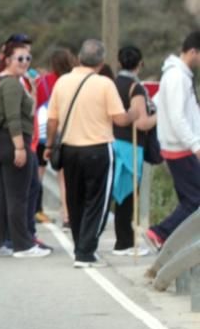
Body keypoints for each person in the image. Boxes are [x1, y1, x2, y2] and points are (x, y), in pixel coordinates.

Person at [46, 39, 137, 268]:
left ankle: (81, 247)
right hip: (98, 148)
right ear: (102, 61)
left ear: (78, 58)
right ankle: (86, 253)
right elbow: (119, 118)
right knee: (97, 202)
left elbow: (52, 119)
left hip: (69, 149)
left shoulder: (63, 82)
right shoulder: (105, 84)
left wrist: (49, 146)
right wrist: (133, 113)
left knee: (75, 200)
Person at [0, 40, 51, 258]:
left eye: (27, 58)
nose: (24, 62)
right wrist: (20, 148)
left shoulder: (6, 82)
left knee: (4, 195)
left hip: (2, 143)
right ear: (7, 60)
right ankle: (22, 245)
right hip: (13, 141)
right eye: (20, 58)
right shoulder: (11, 84)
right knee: (18, 197)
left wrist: (31, 90)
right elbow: (14, 118)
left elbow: (28, 112)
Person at [147, 31, 200, 251]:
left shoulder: (178, 75)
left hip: (177, 146)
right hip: (181, 148)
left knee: (190, 200)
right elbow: (178, 117)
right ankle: (160, 232)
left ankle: (173, 241)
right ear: (193, 52)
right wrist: (195, 145)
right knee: (195, 200)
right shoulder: (177, 77)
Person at [111, 47, 157, 255]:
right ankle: (125, 243)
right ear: (139, 65)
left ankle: (123, 240)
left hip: (112, 142)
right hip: (130, 146)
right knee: (129, 195)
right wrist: (161, 114)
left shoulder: (111, 84)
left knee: (118, 193)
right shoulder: (135, 88)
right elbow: (142, 123)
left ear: (120, 63)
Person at [36, 48, 77, 226]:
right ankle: (68, 215)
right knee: (64, 176)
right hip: (69, 132)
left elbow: (36, 106)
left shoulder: (43, 81)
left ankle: (35, 210)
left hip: (44, 132)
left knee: (38, 172)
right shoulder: (74, 81)